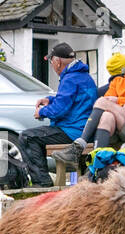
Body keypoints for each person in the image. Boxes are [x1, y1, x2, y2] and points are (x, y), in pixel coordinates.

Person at [57, 40, 125, 164]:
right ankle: (97, 166)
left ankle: (80, 144)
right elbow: (108, 101)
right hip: (119, 127)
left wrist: (121, 101)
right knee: (107, 116)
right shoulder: (119, 80)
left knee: (102, 102)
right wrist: (122, 104)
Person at [19, 42, 98, 186]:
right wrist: (49, 99)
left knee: (27, 137)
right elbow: (71, 99)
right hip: (84, 130)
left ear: (57, 61)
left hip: (72, 132)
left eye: (51, 61)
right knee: (35, 136)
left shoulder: (70, 78)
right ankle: (45, 180)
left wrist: (41, 112)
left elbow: (59, 110)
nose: (52, 65)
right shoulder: (83, 76)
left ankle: (42, 184)